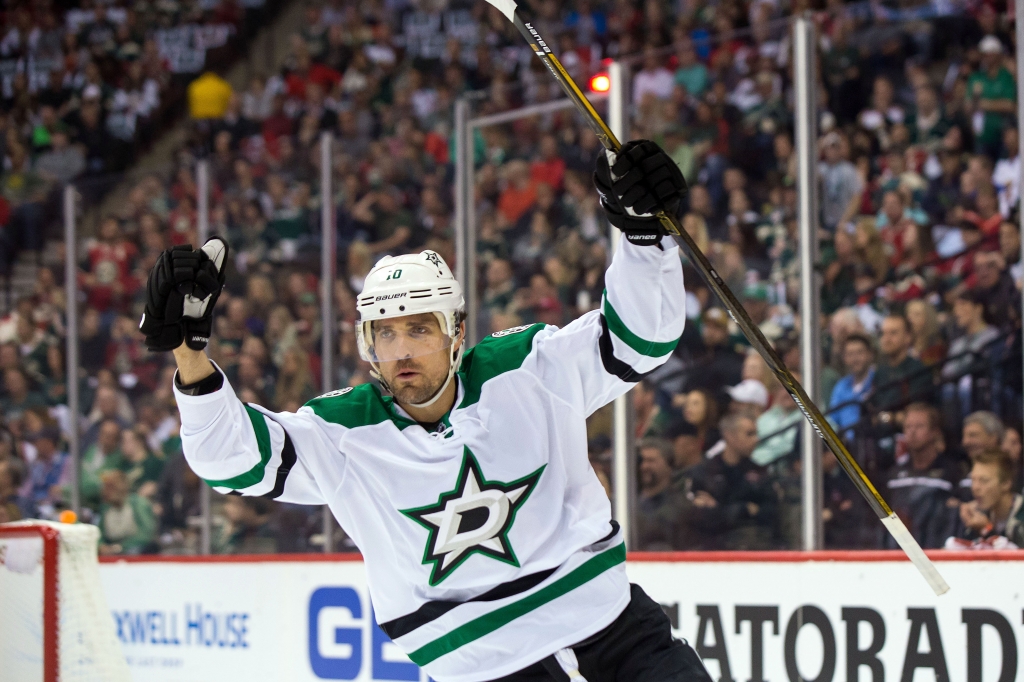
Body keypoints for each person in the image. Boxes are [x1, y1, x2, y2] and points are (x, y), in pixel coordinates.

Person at [140, 141, 712, 680]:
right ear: (367, 343)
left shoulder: (528, 370)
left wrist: (642, 236)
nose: (403, 350)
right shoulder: (342, 434)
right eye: (385, 334)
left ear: (456, 332)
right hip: (483, 664)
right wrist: (189, 356)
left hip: (607, 621)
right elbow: (231, 461)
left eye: (419, 328)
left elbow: (640, 339)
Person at [687, 413, 777, 550]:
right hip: (711, 548)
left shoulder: (760, 472)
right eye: (749, 434)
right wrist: (745, 509)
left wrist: (718, 508)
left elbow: (771, 513)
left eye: (755, 434)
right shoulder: (704, 472)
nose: (756, 440)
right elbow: (700, 516)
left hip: (752, 546)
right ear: (729, 436)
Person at [883, 404, 964, 549]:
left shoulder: (951, 472)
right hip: (897, 553)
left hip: (937, 551)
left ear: (934, 432)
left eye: (919, 426)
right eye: (908, 427)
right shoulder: (894, 475)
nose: (912, 432)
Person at [948, 449, 1024, 549]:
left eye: (984, 481)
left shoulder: (1021, 514)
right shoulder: (975, 513)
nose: (975, 487)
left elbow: (1016, 558)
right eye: (973, 480)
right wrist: (965, 528)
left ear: (1006, 483)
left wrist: (986, 529)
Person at [872, 314, 931, 412]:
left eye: (893, 333)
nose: (886, 339)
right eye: (883, 333)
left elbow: (916, 411)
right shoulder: (880, 372)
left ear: (907, 337)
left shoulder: (918, 370)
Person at [635, 439, 684, 551]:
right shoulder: (625, 502)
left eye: (651, 461)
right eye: (642, 461)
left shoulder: (680, 507)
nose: (644, 466)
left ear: (669, 465)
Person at [97, 469, 157, 555]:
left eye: (111, 487)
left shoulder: (138, 503)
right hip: (111, 550)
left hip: (136, 549)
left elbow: (146, 533)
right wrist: (101, 546)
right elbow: (99, 534)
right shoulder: (105, 508)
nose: (107, 492)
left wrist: (121, 547)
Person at [828, 333, 875, 440]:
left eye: (859, 352)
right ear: (844, 358)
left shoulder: (878, 379)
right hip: (846, 447)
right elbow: (832, 421)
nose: (855, 359)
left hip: (872, 443)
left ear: (870, 354)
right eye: (850, 354)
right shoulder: (840, 387)